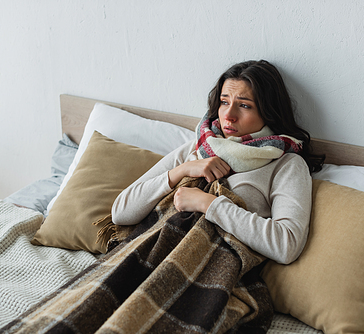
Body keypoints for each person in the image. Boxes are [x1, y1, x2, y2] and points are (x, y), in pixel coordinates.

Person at [112, 60, 323, 264]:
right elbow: (120, 212)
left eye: (244, 105)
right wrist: (181, 170)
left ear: (268, 112)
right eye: (224, 102)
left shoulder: (285, 164)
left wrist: (208, 204)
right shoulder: (199, 147)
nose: (229, 115)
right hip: (147, 257)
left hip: (215, 275)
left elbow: (287, 245)